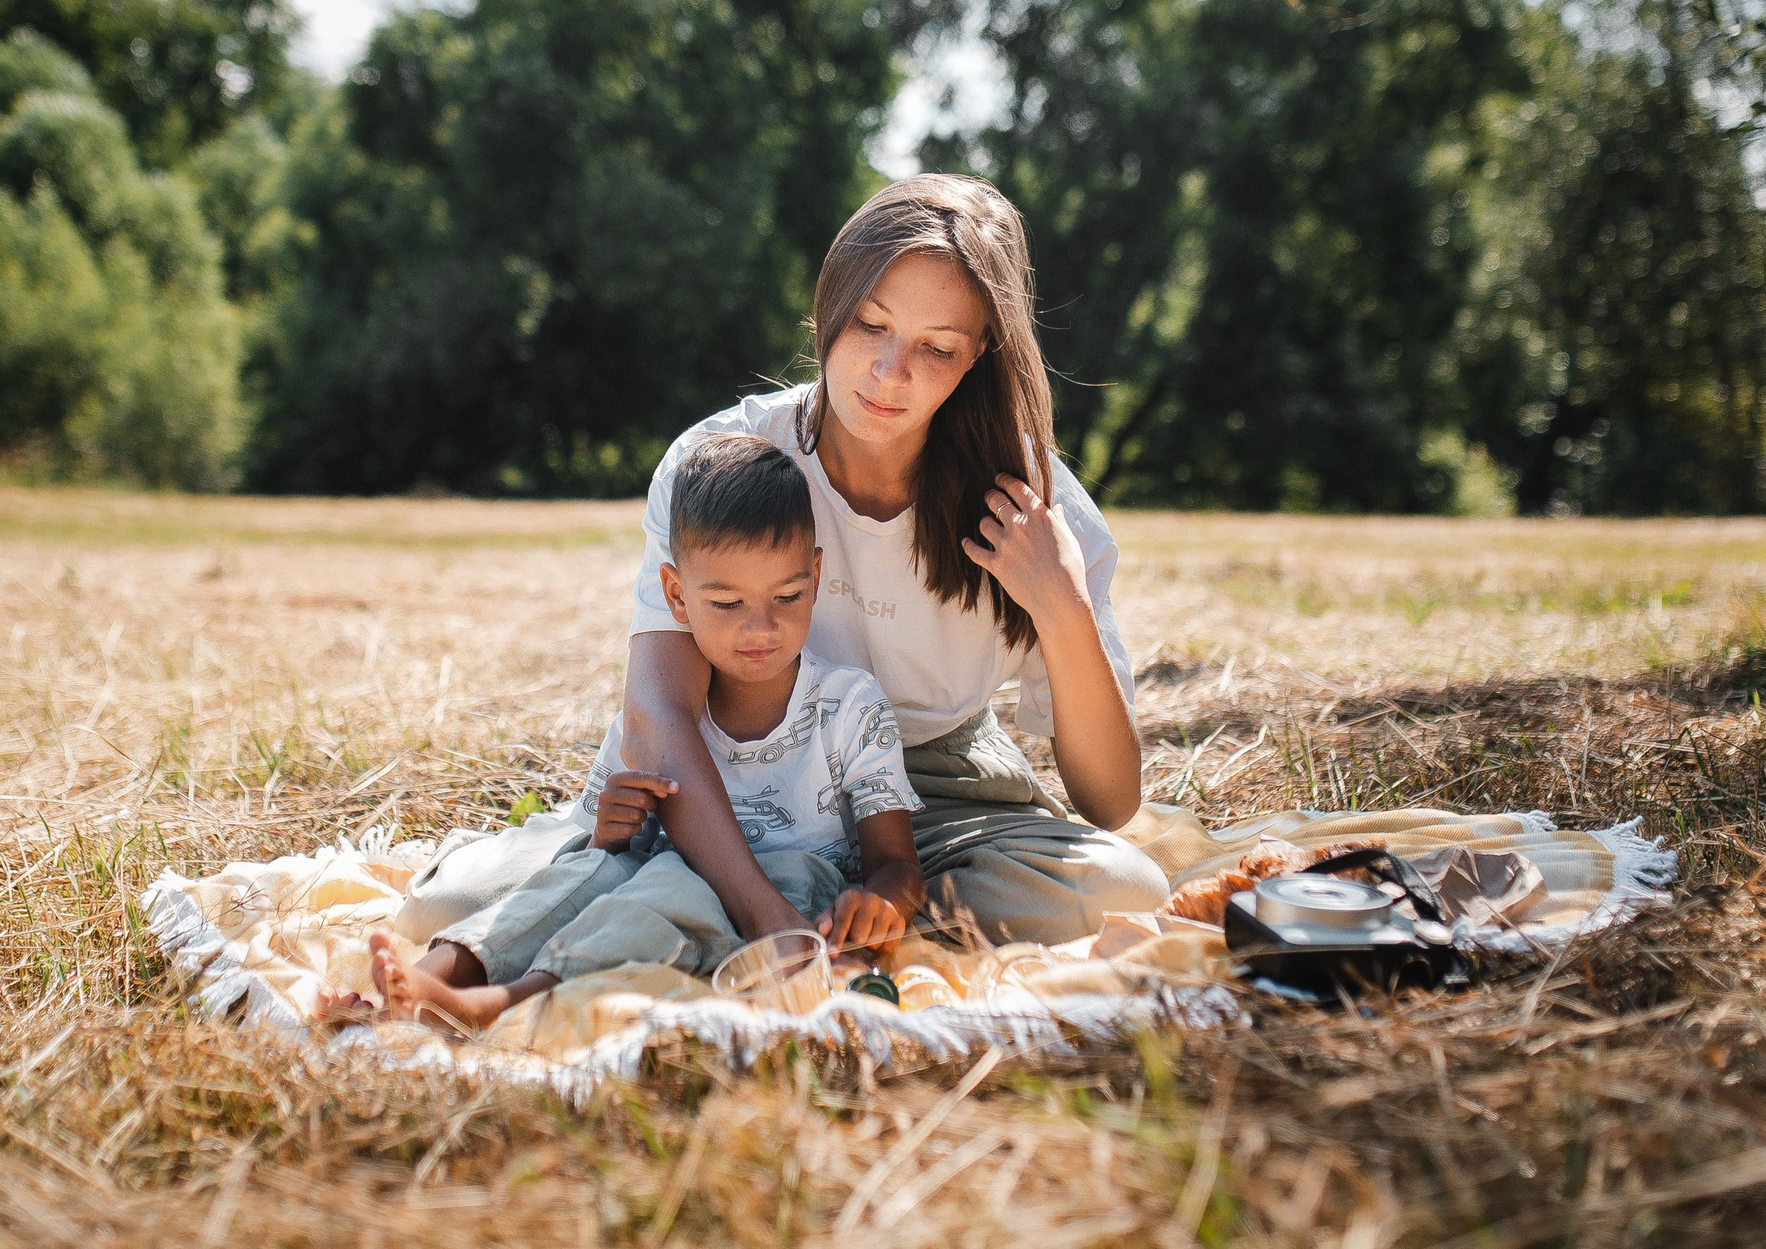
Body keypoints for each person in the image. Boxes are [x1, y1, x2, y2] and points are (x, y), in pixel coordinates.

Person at [399, 174, 1170, 952]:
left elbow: (1108, 799)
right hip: (721, 770)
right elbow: (660, 717)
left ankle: (773, 906)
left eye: (935, 347)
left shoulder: (1037, 507)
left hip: (927, 791)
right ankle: (770, 898)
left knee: (1119, 891)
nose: (889, 370)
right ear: (828, 309)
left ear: (978, 355)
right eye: (871, 324)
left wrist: (1061, 604)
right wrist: (763, 908)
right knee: (442, 914)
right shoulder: (723, 460)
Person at [353, 435, 924, 1029]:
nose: (762, 627)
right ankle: (429, 980)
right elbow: (613, 847)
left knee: (676, 883)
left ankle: (505, 1002)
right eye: (726, 603)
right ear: (676, 596)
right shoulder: (658, 719)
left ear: (816, 574)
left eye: (788, 595)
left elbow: (898, 865)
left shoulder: (850, 707)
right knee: (586, 872)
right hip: (659, 874)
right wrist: (611, 828)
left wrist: (881, 901)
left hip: (790, 892)